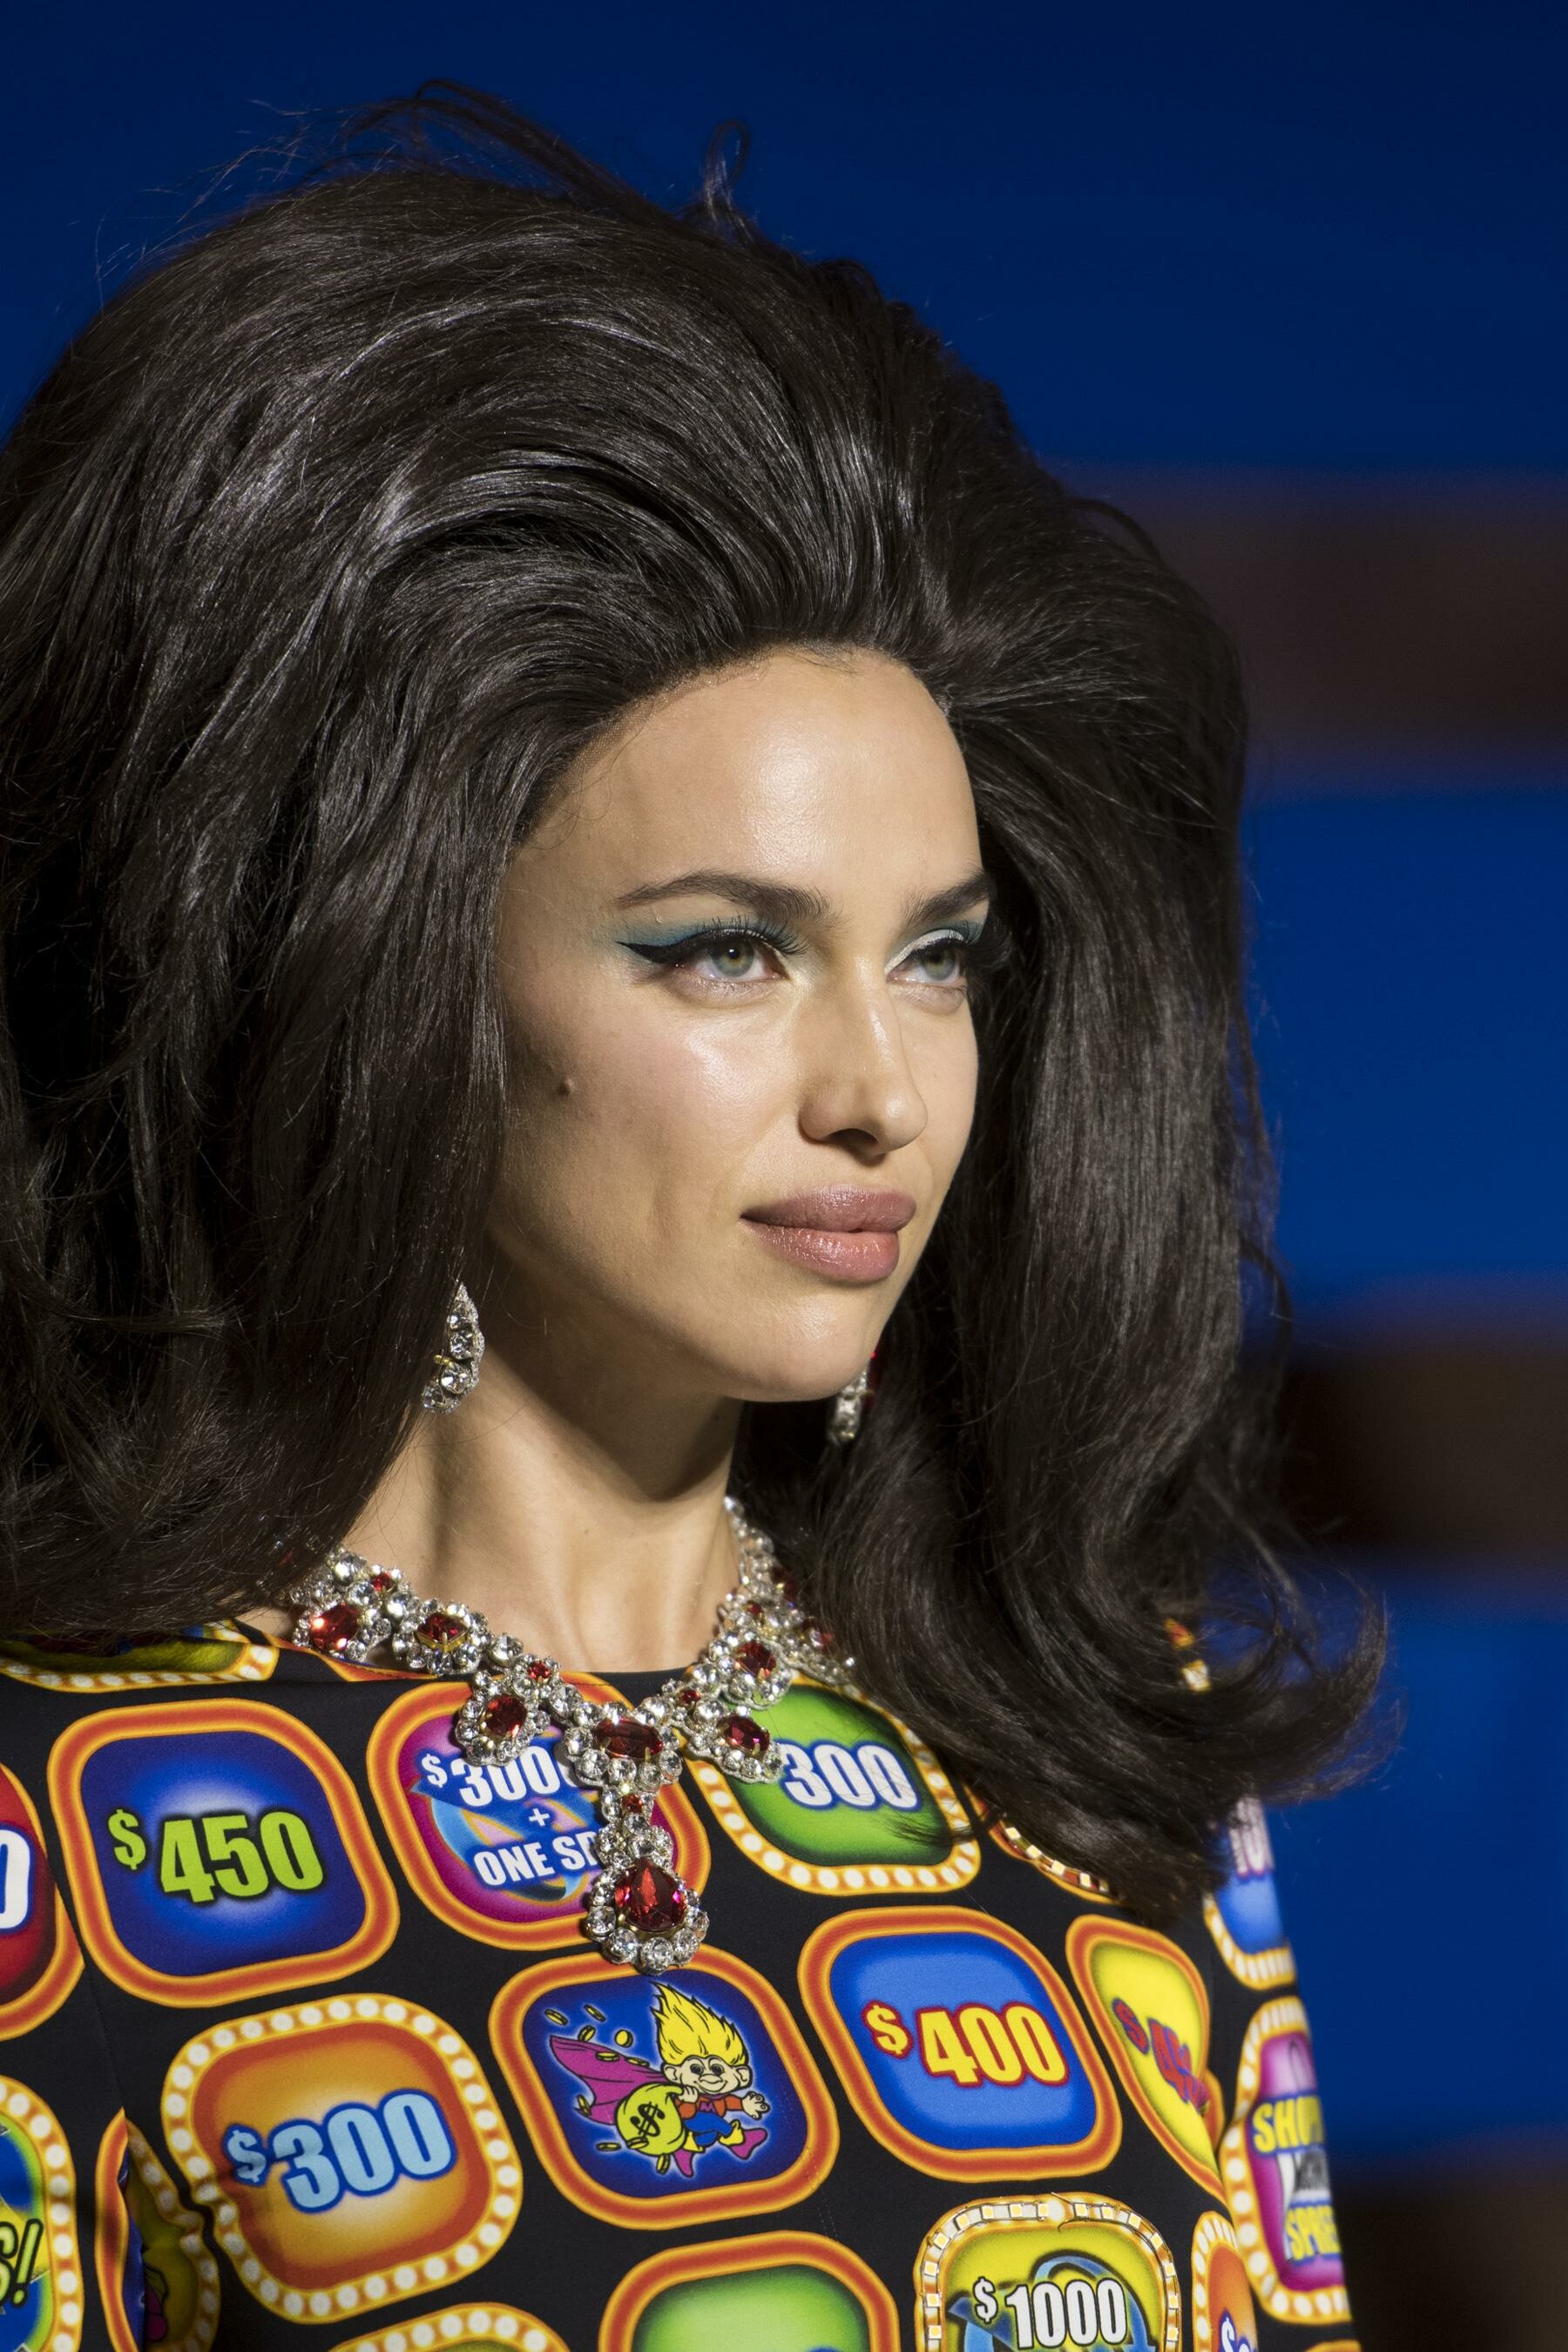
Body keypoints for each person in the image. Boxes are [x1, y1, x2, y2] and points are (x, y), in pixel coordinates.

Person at [0, 84, 1378, 2352]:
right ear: (385, 980)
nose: (881, 1091)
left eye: (939, 955)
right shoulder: (56, 1819)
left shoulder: (1101, 1723)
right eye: (725, 949)